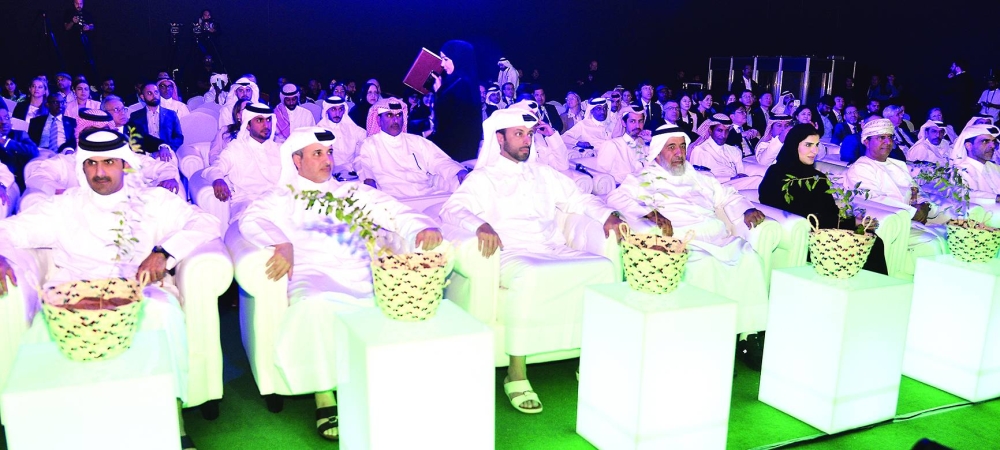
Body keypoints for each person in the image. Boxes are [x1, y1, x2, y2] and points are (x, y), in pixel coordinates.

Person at [0, 128, 219, 450]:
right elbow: (9, 229)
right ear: (82, 167)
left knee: (163, 314)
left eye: (109, 162)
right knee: (44, 330)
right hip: (74, 293)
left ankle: (173, 422)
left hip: (140, 290)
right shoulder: (62, 206)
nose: (100, 172)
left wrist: (165, 252)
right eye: (91, 164)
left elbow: (205, 222)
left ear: (125, 164)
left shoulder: (154, 201)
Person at [238, 127, 442, 441]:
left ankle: (391, 384)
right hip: (313, 272)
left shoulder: (352, 192)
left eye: (329, 152)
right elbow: (250, 220)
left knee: (400, 298)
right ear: (296, 160)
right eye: (317, 153)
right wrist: (281, 243)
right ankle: (324, 394)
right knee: (313, 305)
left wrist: (421, 228)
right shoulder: (281, 196)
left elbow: (394, 211)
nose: (327, 160)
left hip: (360, 269)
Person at [440, 108, 622, 414]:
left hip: (552, 247)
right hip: (512, 252)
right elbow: (452, 209)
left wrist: (608, 216)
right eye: (519, 135)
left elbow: (579, 200)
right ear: (499, 139)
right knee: (532, 275)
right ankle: (516, 372)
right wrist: (479, 225)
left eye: (529, 134)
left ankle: (589, 360)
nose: (527, 141)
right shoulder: (483, 178)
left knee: (604, 269)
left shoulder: (545, 173)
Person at [607, 124, 770, 365]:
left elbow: (728, 195)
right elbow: (616, 197)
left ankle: (748, 335)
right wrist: (649, 213)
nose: (678, 153)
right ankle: (708, 340)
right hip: (682, 240)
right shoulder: (644, 178)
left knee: (750, 259)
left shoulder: (700, 176)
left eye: (682, 147)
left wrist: (746, 209)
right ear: (658, 152)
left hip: (718, 236)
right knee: (702, 265)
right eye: (671, 147)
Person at [758, 124, 887, 274]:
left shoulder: (818, 177)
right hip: (806, 237)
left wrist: (852, 220)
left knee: (871, 239)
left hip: (826, 228)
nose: (815, 151)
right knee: (867, 244)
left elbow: (829, 211)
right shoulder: (777, 175)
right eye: (808, 145)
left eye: (817, 145)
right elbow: (799, 215)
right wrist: (852, 222)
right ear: (794, 146)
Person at [23, 109, 182, 208]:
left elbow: (160, 167)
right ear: (80, 134)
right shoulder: (66, 162)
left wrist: (168, 178)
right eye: (93, 131)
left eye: (105, 131)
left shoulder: (124, 159)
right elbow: (36, 177)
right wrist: (62, 192)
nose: (100, 136)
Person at [356, 98, 468, 198]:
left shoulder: (416, 141)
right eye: (389, 115)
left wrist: (458, 171)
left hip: (427, 194)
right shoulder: (369, 144)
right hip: (393, 199)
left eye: (399, 115)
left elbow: (438, 160)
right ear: (378, 120)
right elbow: (363, 165)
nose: (395, 120)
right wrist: (369, 180)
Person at [844, 119, 934, 225]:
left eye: (890, 137)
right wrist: (913, 213)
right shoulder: (859, 169)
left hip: (911, 218)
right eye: (881, 137)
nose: (888, 142)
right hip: (886, 224)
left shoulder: (899, 165)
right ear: (866, 142)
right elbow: (873, 201)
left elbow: (916, 189)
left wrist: (925, 204)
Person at [201, 103, 281, 223]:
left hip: (278, 203)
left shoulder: (279, 149)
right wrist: (218, 179)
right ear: (248, 125)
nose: (266, 125)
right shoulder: (235, 148)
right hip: (248, 204)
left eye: (268, 120)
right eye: (259, 120)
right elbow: (215, 167)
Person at [688, 113, 761, 190]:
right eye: (720, 131)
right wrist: (730, 178)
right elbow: (698, 179)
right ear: (710, 131)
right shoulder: (700, 150)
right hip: (714, 186)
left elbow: (741, 172)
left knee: (759, 180)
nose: (723, 135)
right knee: (757, 181)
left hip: (735, 184)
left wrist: (738, 177)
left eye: (726, 131)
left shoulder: (734, 150)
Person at [591, 105, 650, 183]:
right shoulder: (612, 145)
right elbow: (601, 177)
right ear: (624, 123)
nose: (637, 126)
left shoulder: (644, 144)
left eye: (640, 121)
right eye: (632, 121)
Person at [127, 82, 184, 157]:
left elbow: (179, 137)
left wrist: (167, 147)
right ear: (142, 97)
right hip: (146, 154)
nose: (154, 96)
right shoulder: (135, 116)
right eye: (149, 93)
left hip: (167, 152)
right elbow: (134, 139)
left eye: (156, 92)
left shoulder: (171, 114)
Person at [316, 95, 366, 174]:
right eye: (333, 109)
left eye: (340, 109)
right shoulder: (320, 130)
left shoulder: (351, 126)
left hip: (354, 170)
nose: (337, 113)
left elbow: (366, 138)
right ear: (327, 111)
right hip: (331, 172)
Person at [954, 124, 1000, 203]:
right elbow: (963, 194)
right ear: (969, 146)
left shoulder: (995, 167)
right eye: (985, 141)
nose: (992, 146)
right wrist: (996, 198)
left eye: (993, 142)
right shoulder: (959, 171)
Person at [0, 108, 40, 191]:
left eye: (6, 118)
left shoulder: (20, 134)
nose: (4, 122)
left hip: (14, 183)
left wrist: (6, 143)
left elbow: (34, 152)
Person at [208, 98, 248, 166]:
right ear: (238, 115)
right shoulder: (225, 131)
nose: (249, 112)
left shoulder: (259, 133)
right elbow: (213, 154)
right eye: (246, 109)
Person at [62, 0, 96, 77]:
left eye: (80, 3)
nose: (79, 5)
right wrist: (72, 21)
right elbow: (66, 28)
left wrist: (88, 27)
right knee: (73, 64)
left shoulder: (87, 13)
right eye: (77, 3)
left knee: (87, 64)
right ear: (73, 3)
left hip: (85, 43)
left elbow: (92, 26)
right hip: (72, 43)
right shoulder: (68, 13)